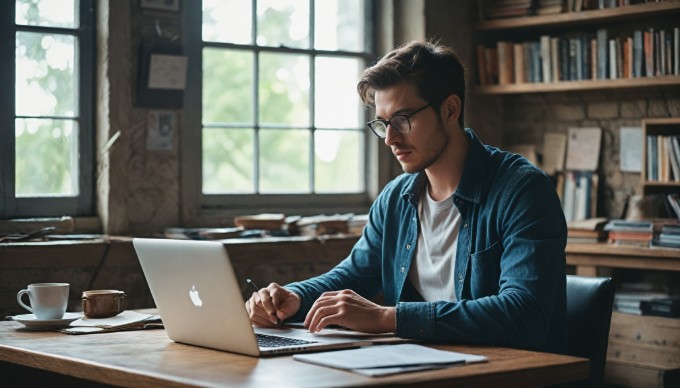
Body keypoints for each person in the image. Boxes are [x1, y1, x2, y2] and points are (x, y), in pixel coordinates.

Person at [246, 40, 567, 353]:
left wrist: (387, 317)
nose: (390, 139)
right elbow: (354, 275)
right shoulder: (396, 198)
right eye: (383, 124)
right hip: (424, 365)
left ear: (450, 109)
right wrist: (294, 297)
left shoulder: (521, 190)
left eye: (402, 120)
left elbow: (525, 314)